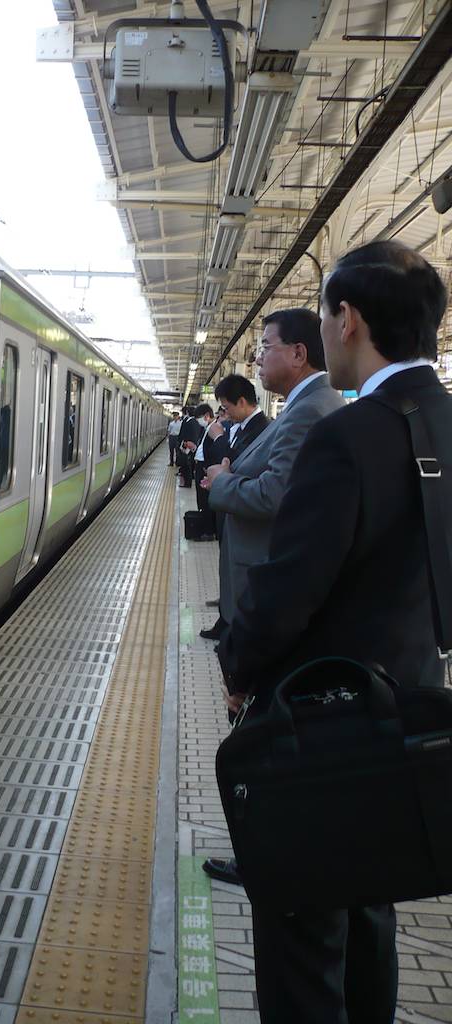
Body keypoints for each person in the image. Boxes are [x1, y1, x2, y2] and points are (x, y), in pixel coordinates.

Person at [218, 240, 451, 1024]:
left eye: (323, 318)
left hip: (323, 728)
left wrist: (238, 665)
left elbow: (288, 590)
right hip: (414, 717)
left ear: (347, 319)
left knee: (304, 940)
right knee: (369, 918)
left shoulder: (346, 438)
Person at [199, 309, 344, 886]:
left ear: (299, 355)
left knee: (262, 737)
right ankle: (264, 846)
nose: (256, 357)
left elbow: (273, 497)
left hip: (271, 599)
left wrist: (222, 482)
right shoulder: (302, 409)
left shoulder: (311, 411)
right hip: (262, 593)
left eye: (264, 346)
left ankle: (265, 853)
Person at [200, 375, 270, 634]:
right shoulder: (240, 426)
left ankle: (230, 623)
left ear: (242, 402)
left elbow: (236, 461)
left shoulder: (263, 428)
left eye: (227, 408)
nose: (224, 414)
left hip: (241, 504)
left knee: (236, 567)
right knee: (226, 561)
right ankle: (225, 618)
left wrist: (219, 440)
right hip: (229, 499)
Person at [178, 403, 213, 488]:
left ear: (207, 415)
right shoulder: (205, 428)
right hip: (200, 465)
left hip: (205, 467)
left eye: (198, 419)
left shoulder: (214, 429)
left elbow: (211, 450)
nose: (198, 422)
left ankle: (188, 482)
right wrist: (194, 447)